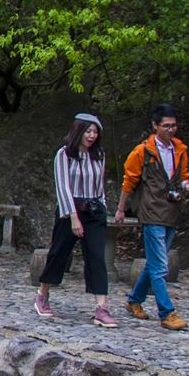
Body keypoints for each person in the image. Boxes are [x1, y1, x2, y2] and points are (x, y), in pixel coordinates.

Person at [115, 103, 189, 331]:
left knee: (154, 262)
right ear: (155, 126)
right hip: (151, 211)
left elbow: (182, 176)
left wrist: (187, 186)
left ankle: (134, 300)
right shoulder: (141, 152)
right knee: (160, 265)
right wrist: (121, 209)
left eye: (173, 126)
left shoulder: (179, 150)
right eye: (166, 126)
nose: (171, 130)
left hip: (171, 210)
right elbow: (128, 182)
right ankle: (167, 312)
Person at [35, 113, 116, 326]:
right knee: (59, 253)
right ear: (79, 131)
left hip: (94, 209)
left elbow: (100, 186)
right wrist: (73, 217)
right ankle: (43, 294)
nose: (91, 136)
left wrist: (102, 208)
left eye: (95, 132)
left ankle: (102, 307)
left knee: (97, 257)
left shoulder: (99, 155)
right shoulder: (64, 154)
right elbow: (62, 186)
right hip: (70, 209)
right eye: (88, 131)